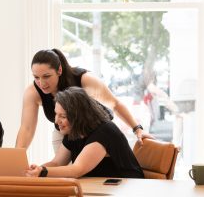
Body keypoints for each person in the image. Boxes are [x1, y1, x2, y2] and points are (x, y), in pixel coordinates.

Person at [16, 48, 153, 152]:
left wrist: (137, 129)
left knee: (84, 172)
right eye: (36, 77)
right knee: (59, 172)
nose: (42, 83)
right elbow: (27, 128)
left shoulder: (85, 79)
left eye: (46, 76)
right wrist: (16, 159)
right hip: (64, 133)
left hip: (93, 130)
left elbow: (115, 104)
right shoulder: (33, 92)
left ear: (59, 70)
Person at [25, 87, 144, 178]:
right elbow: (56, 163)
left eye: (63, 116)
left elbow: (77, 169)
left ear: (79, 116)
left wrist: (43, 172)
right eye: (56, 114)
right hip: (102, 187)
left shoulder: (104, 131)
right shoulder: (73, 131)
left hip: (129, 187)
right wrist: (37, 170)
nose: (57, 121)